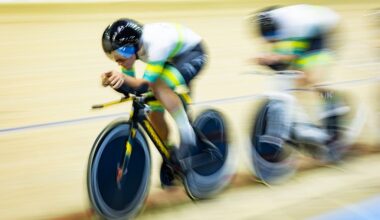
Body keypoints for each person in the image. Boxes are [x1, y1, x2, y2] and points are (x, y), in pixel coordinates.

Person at [100, 18, 208, 183]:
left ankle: (188, 137)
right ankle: (170, 153)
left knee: (158, 86)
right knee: (152, 105)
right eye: (114, 58)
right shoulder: (131, 50)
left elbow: (143, 85)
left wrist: (123, 79)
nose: (118, 61)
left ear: (133, 46)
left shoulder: (157, 44)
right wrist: (116, 82)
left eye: (121, 56)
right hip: (171, 58)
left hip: (193, 53)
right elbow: (133, 89)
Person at [251, 4, 347, 159]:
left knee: (313, 79)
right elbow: (276, 48)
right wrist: (268, 57)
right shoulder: (267, 23)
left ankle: (334, 122)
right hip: (305, 34)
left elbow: (292, 54)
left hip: (323, 33)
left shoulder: (293, 23)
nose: (272, 40)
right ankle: (305, 124)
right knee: (295, 80)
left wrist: (275, 58)